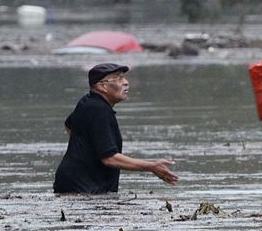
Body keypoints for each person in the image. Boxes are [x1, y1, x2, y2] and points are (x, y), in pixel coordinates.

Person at [53, 63, 179, 194]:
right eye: (119, 79)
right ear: (102, 86)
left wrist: (85, 148)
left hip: (73, 182)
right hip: (82, 187)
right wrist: (151, 166)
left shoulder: (88, 101)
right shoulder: (99, 109)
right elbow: (109, 158)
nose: (126, 82)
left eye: (124, 78)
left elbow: (69, 125)